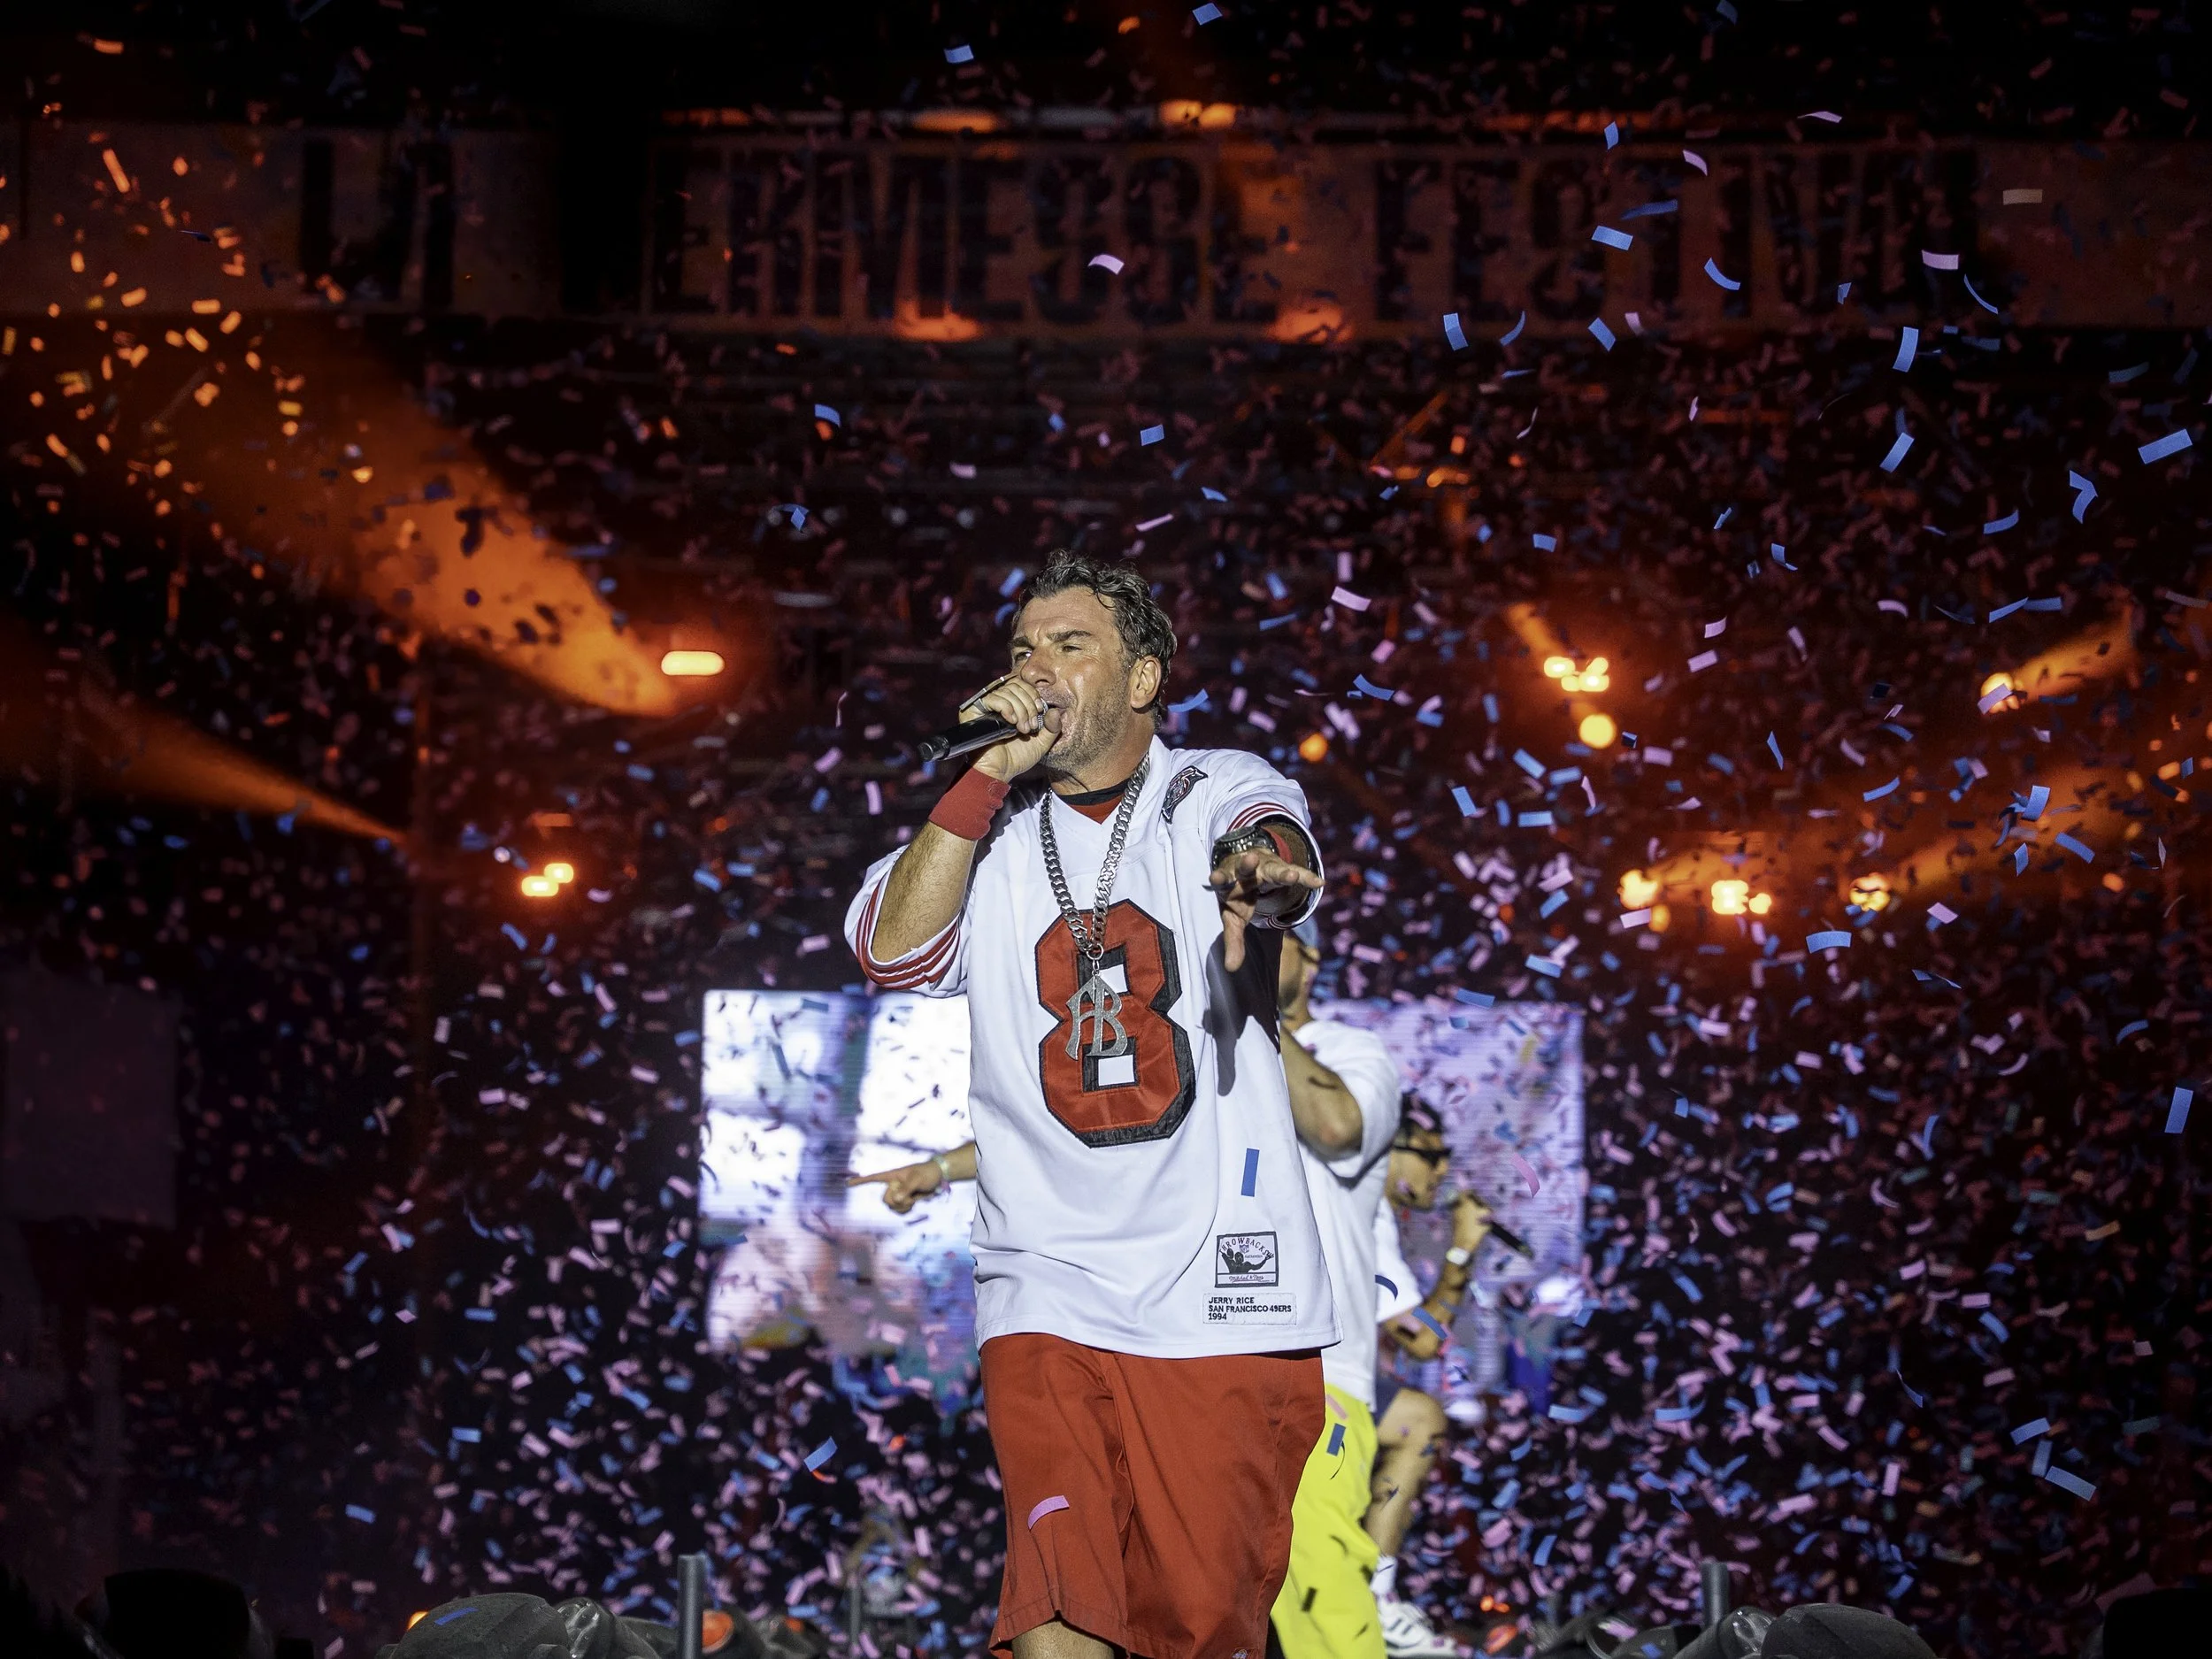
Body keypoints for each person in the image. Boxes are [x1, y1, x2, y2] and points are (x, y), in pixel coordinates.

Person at [841, 550, 1335, 1659]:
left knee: (1197, 1629)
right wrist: (979, 778)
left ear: (1145, 677)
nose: (1037, 668)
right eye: (1022, 650)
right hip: (1044, 1279)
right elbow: (892, 951)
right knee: (1055, 1610)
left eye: (1072, 646)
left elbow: (1273, 841)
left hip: (1219, 1290)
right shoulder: (993, 835)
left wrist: (1267, 874)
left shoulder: (1205, 783)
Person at [1362, 1102, 1497, 1658]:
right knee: (1421, 1421)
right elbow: (1421, 1338)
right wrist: (1462, 1251)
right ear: (1388, 1149)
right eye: (1430, 1155)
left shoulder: (1370, 1209)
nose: (1441, 1171)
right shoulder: (1365, 1209)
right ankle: (1375, 1598)